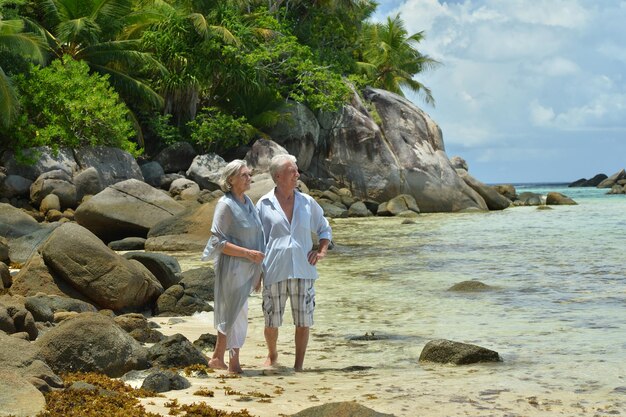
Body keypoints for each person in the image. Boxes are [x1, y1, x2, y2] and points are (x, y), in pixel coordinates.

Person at [256, 154, 332, 371]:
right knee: (271, 322)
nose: (297, 175)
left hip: (304, 270)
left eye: (297, 171)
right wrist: (256, 274)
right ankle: (272, 354)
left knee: (303, 322)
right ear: (278, 176)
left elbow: (324, 228)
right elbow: (257, 240)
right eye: (292, 171)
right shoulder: (264, 204)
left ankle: (298, 366)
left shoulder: (308, 203)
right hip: (274, 270)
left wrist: (322, 250)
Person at [202, 159, 265, 374]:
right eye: (244, 175)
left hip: (249, 267)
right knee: (238, 312)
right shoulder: (225, 204)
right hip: (232, 267)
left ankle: (218, 357)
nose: (250, 178)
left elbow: (259, 236)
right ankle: (234, 363)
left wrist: (259, 271)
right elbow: (217, 241)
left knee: (234, 311)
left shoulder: (248, 202)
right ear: (231, 180)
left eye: (249, 174)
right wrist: (247, 253)